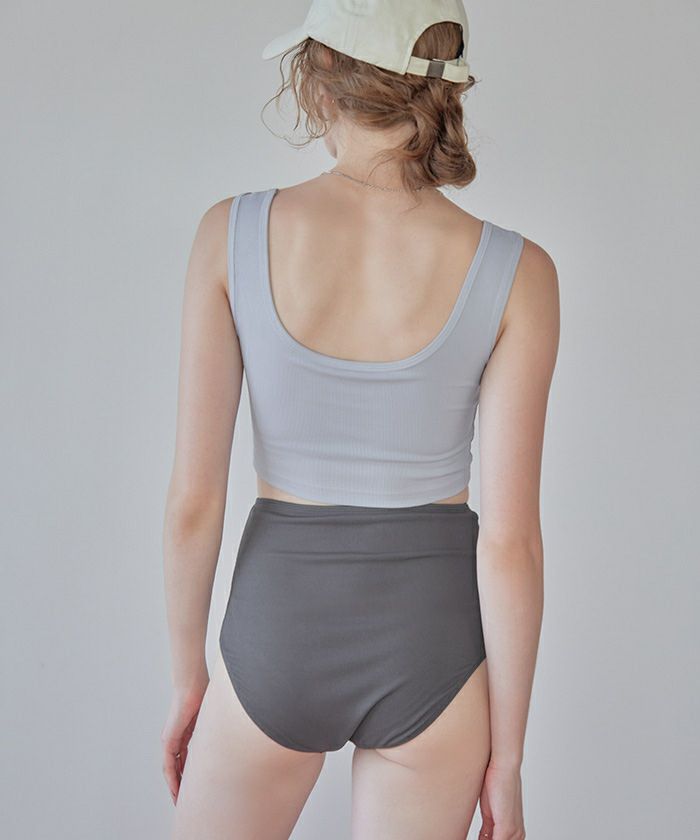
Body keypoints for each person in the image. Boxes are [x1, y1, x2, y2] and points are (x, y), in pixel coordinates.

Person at [161, 1, 559, 838]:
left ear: (319, 79)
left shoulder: (229, 234)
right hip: (433, 645)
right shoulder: (519, 271)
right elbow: (511, 544)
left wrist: (188, 679)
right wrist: (509, 759)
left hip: (275, 633)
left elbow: (195, 503)